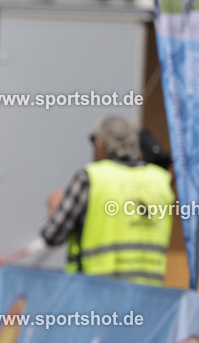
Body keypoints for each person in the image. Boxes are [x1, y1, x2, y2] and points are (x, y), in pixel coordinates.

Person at [38, 116, 175, 285]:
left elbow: (52, 235)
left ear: (102, 142)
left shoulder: (90, 177)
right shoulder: (160, 181)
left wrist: (55, 208)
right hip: (148, 296)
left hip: (97, 293)